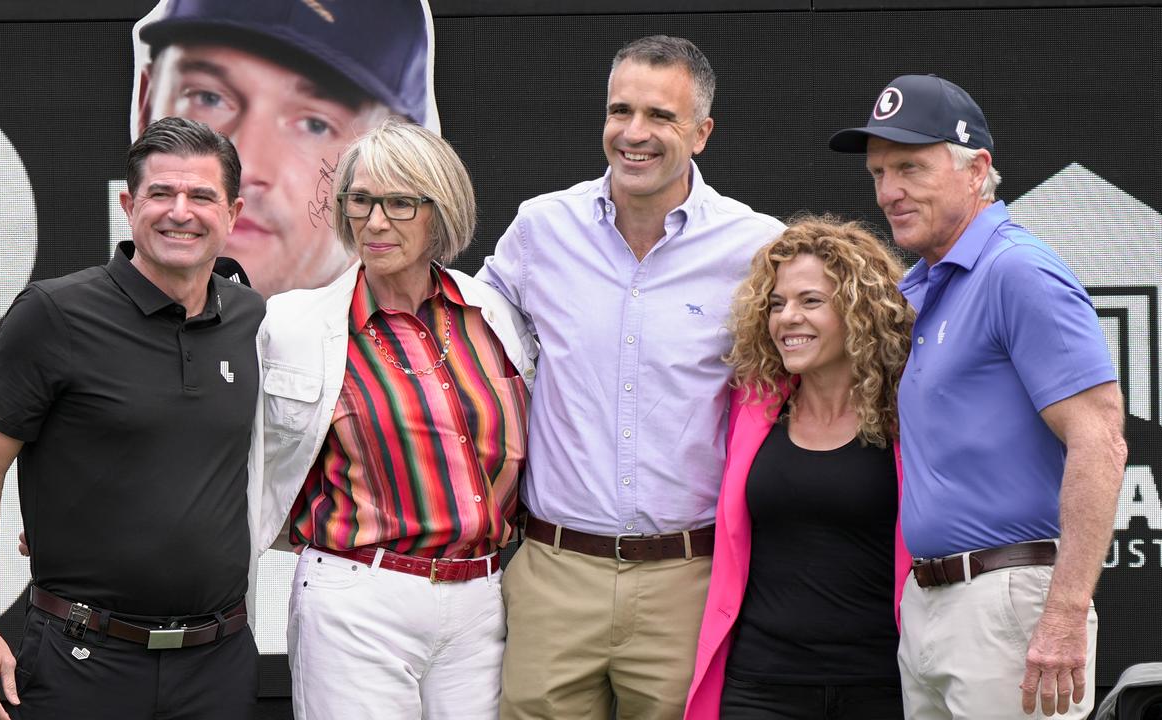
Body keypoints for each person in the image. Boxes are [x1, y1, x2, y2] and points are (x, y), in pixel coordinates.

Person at [479, 35, 785, 719]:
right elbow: (470, 337)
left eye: (661, 116)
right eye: (620, 111)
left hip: (689, 580)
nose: (634, 134)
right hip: (554, 572)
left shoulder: (755, 246)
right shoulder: (540, 229)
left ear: (702, 133)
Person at [829, 74, 1127, 719]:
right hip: (932, 601)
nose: (890, 192)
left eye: (910, 167)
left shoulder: (1016, 269)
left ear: (977, 169)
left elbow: (1100, 438)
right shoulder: (925, 284)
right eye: (879, 172)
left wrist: (1064, 615)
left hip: (1011, 601)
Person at [0, 117, 262, 720]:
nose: (181, 212)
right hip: (81, 660)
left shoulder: (253, 319)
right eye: (161, 194)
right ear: (128, 204)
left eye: (201, 196)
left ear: (233, 211)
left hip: (218, 666)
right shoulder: (53, 314)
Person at [247, 119, 535, 720]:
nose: (376, 222)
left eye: (401, 202)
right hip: (358, 593)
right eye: (361, 201)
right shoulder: (294, 326)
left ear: (442, 210)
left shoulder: (496, 316)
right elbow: (222, 448)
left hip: (482, 596)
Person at [684, 217, 915, 720]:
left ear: (860, 310)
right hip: (760, 685)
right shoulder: (750, 409)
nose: (787, 317)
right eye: (776, 303)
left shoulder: (911, 415)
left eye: (810, 301)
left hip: (883, 684)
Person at [134, 0, 434, 298]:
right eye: (209, 98)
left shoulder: (457, 320)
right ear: (145, 109)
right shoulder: (91, 323)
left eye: (315, 125)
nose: (245, 167)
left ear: (397, 157)